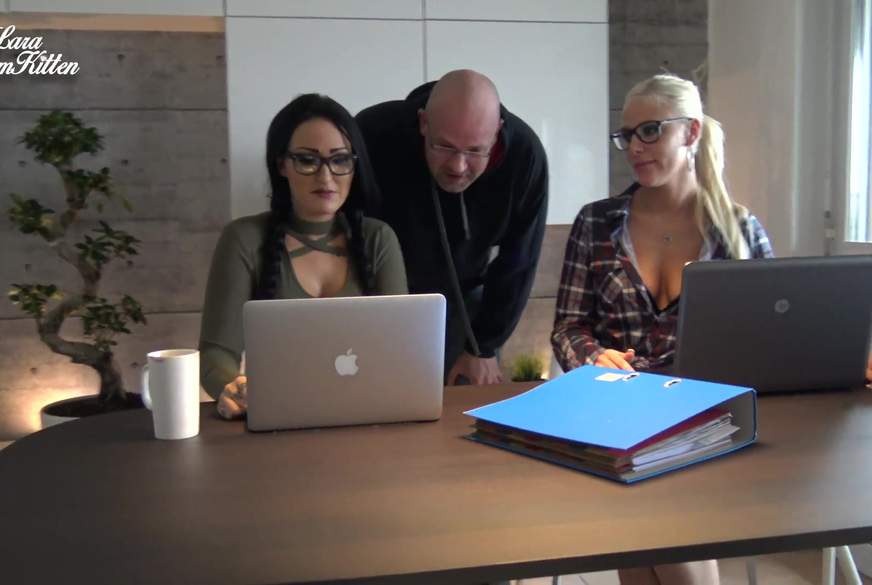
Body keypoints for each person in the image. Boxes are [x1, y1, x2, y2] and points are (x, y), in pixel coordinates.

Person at [552, 73, 774, 585]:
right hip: (616, 414)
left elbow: (770, 339)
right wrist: (592, 357)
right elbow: (568, 326)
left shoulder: (739, 232)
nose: (634, 147)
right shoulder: (596, 223)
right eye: (627, 135)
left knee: (651, 523)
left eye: (650, 131)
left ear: (691, 132)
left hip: (708, 421)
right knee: (644, 516)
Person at [199, 94, 408, 419]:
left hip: (367, 415)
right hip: (276, 417)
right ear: (282, 164)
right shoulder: (244, 239)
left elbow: (402, 350)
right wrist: (235, 390)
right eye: (308, 160)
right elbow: (216, 354)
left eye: (340, 160)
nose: (326, 177)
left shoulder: (378, 239)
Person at [356, 69, 548, 386]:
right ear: (424, 123)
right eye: (444, 146)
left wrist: (483, 347)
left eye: (474, 151)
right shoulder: (373, 133)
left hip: (466, 304)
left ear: (497, 132)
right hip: (376, 299)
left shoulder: (525, 156)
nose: (458, 166)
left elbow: (519, 262)